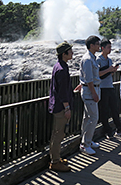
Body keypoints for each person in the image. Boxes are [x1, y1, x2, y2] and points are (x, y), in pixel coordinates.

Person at [48, 41, 74, 172]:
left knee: (56, 133)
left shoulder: (58, 66)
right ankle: (55, 162)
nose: (72, 53)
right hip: (60, 107)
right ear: (64, 54)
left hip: (56, 105)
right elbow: (62, 91)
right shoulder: (62, 70)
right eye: (70, 51)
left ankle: (55, 157)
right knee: (59, 134)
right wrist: (67, 108)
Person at [97, 38, 121, 139]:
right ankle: (107, 131)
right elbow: (97, 74)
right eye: (108, 47)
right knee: (104, 110)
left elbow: (107, 73)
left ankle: (119, 129)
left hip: (110, 86)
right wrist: (109, 70)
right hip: (102, 88)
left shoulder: (109, 60)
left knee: (115, 109)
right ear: (102, 48)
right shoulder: (98, 60)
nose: (110, 49)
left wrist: (112, 70)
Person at [79, 35, 101, 155]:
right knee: (93, 118)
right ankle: (85, 144)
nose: (99, 46)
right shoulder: (87, 59)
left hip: (92, 90)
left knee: (87, 118)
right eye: (97, 44)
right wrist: (94, 93)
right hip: (90, 91)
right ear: (91, 45)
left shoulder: (93, 58)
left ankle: (87, 140)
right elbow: (88, 79)